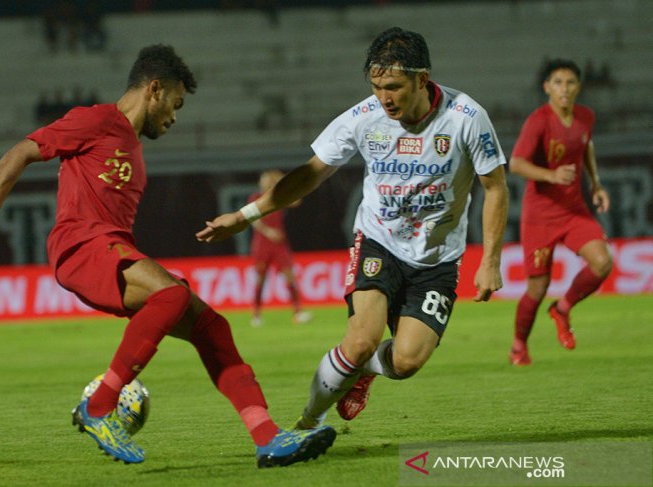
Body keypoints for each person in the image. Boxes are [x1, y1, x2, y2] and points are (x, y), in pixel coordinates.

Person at [0, 44, 335, 467]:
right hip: (80, 246)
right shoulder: (96, 120)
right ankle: (99, 406)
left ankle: (268, 439)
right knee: (171, 296)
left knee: (213, 327)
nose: (174, 118)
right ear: (154, 89)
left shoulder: (131, 146)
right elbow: (17, 154)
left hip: (111, 250)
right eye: (174, 105)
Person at [197, 28, 508, 433]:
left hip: (437, 258)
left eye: (394, 87)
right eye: (377, 87)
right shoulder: (364, 118)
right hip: (379, 240)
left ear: (422, 79)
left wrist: (491, 260)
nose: (384, 98)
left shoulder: (466, 117)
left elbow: (495, 186)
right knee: (361, 339)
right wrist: (245, 215)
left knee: (408, 360)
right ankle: (307, 424)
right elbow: (308, 176)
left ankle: (366, 372)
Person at [508, 59, 612, 366]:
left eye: (570, 83)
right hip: (540, 215)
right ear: (547, 88)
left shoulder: (585, 117)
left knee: (603, 261)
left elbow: (586, 146)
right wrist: (551, 175)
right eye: (558, 83)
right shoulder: (538, 121)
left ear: (578, 87)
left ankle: (563, 309)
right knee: (537, 288)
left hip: (573, 210)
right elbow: (516, 163)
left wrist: (596, 184)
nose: (564, 89)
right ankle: (518, 346)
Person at [248, 169, 312, 327]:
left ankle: (298, 312)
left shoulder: (278, 197)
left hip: (280, 244)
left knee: (290, 276)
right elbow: (253, 219)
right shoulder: (255, 198)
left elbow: (297, 201)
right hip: (262, 243)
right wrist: (268, 232)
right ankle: (256, 314)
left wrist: (286, 184)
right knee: (261, 278)